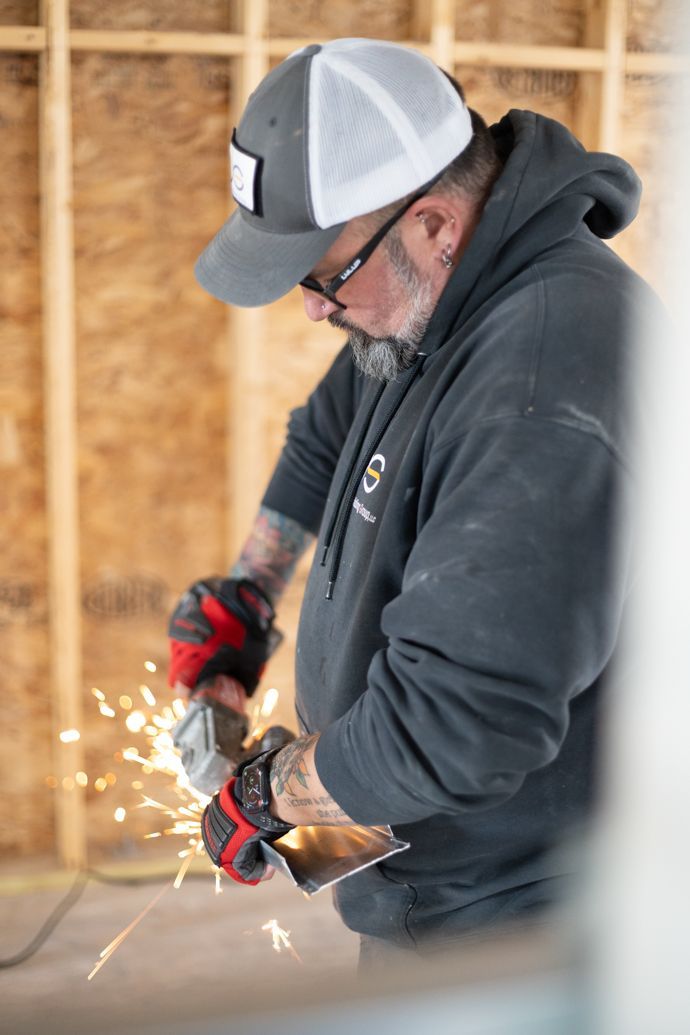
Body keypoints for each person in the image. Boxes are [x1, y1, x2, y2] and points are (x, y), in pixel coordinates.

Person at [168, 38, 660, 958]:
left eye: (325, 274)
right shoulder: (445, 294)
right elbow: (325, 433)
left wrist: (269, 795)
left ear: (433, 224)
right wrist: (243, 601)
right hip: (431, 888)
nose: (313, 307)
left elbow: (451, 727)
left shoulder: (542, 377)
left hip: (524, 932)